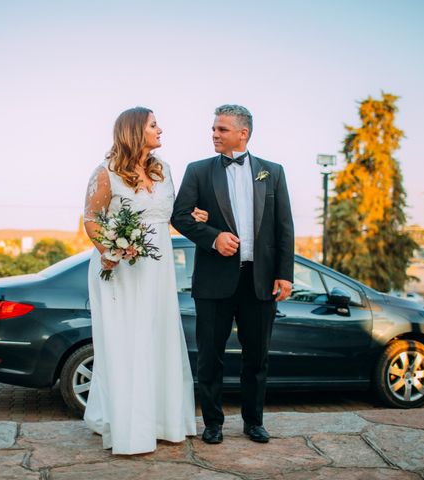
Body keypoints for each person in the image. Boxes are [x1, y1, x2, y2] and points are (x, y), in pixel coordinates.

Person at [82, 107, 206, 455]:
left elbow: (169, 216)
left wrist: (196, 216)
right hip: (121, 269)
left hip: (159, 267)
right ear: (135, 131)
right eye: (154, 124)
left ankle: (164, 422)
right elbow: (91, 218)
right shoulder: (105, 172)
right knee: (127, 342)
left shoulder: (163, 169)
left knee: (158, 337)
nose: (160, 129)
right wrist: (111, 248)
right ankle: (129, 428)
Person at [171, 104, 294, 445]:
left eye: (222, 129)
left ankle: (254, 422)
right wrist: (213, 237)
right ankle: (213, 424)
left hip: (260, 281)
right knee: (210, 357)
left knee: (257, 358)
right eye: (213, 128)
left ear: (243, 133)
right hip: (213, 282)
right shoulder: (198, 171)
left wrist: (285, 274)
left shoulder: (273, 172)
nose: (214, 134)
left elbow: (284, 227)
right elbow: (179, 216)